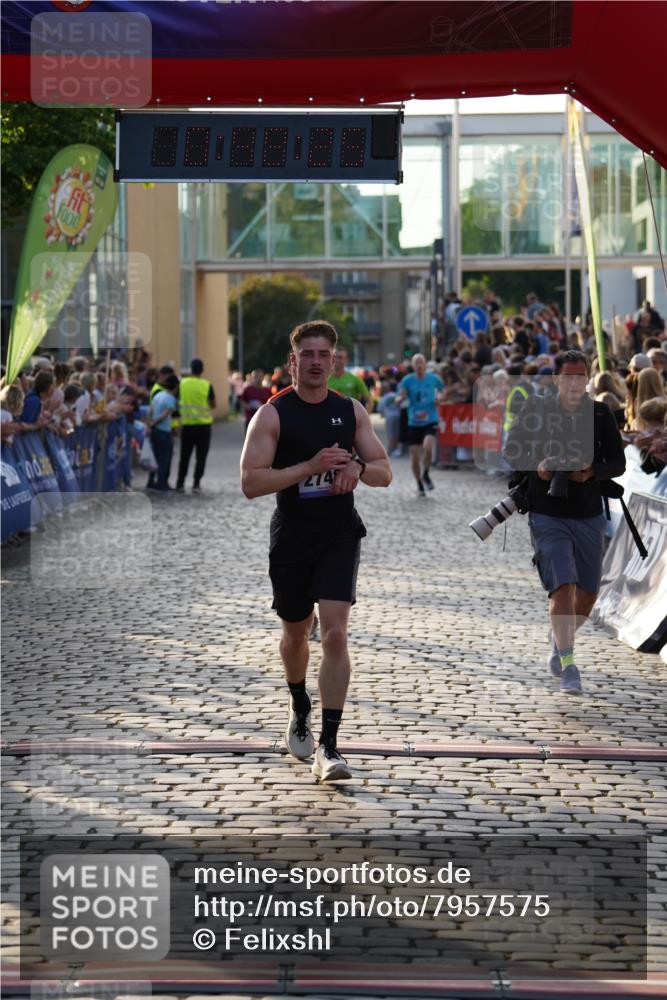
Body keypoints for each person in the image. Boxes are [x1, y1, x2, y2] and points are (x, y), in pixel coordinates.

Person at [240, 320, 391, 782]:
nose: (316, 362)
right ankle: (298, 701)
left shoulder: (350, 411)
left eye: (324, 354)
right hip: (292, 537)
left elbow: (384, 471)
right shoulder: (272, 415)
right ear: (293, 361)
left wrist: (357, 467)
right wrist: (309, 467)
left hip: (339, 534)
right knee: (295, 633)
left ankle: (329, 746)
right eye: (307, 354)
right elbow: (250, 482)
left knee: (336, 635)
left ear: (335, 361)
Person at [504, 350, 626, 695]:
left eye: (581, 376)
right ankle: (569, 664)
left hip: (588, 514)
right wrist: (539, 466)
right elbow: (512, 451)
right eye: (568, 376)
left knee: (587, 595)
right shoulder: (536, 409)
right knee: (563, 585)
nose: (575, 383)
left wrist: (591, 471)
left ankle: (560, 640)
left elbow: (618, 463)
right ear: (556, 379)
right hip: (547, 512)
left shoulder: (600, 413)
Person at [396, 353, 444, 497]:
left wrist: (439, 398)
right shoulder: (407, 380)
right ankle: (419, 484)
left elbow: (442, 391)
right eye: (416, 363)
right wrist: (400, 399)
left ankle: (426, 473)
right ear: (412, 365)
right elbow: (401, 395)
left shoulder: (433, 378)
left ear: (425, 364)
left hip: (430, 419)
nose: (418, 365)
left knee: (428, 447)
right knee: (415, 457)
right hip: (414, 421)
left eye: (421, 362)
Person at [176, 358, 216, 493]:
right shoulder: (207, 385)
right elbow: (213, 404)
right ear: (202, 370)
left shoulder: (182, 383)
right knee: (201, 457)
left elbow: (176, 400)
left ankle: (180, 483)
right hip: (204, 427)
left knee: (184, 456)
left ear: (190, 370)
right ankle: (196, 484)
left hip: (187, 426)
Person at [146, 373, 179, 492]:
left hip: (154, 431)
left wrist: (149, 423)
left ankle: (151, 481)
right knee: (164, 459)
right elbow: (165, 414)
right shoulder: (171, 399)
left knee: (154, 456)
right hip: (164, 431)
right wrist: (155, 422)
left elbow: (150, 410)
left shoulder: (158, 395)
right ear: (176, 387)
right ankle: (161, 483)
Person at [328, 348, 373, 413]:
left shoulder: (355, 379)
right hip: (330, 417)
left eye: (340, 357)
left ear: (346, 360)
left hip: (350, 417)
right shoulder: (324, 380)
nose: (337, 360)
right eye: (335, 357)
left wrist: (365, 417)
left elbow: (369, 401)